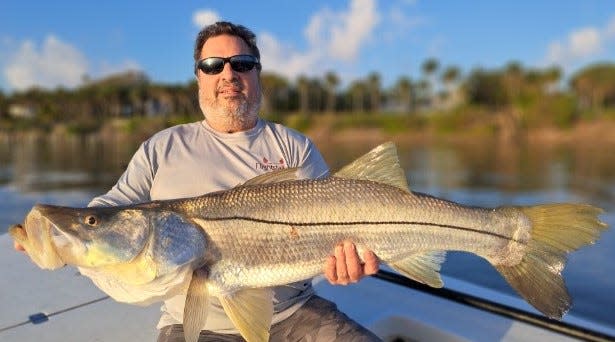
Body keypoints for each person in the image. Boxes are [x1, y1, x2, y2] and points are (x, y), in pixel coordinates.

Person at [15, 21, 381, 341]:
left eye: (242, 64)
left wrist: (348, 261)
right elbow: (108, 211)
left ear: (257, 75)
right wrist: (66, 240)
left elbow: (343, 214)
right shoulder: (162, 147)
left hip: (296, 312)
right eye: (212, 65)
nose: (228, 74)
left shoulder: (294, 146)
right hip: (195, 323)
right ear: (199, 78)